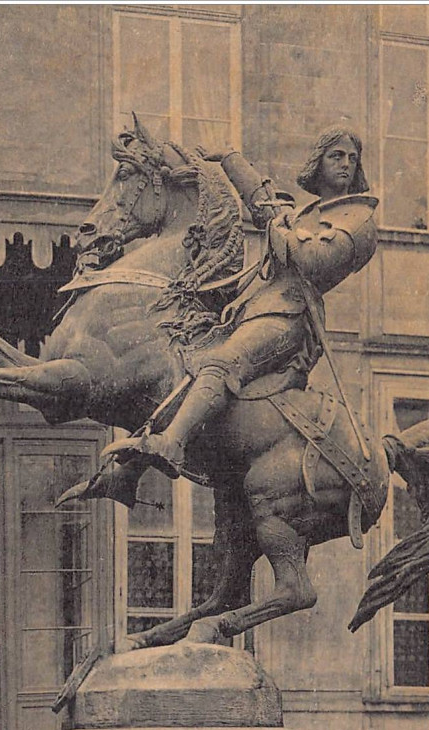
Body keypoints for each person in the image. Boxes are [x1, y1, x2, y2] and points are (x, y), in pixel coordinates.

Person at [104, 126, 378, 480]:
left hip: (291, 317)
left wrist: (282, 231)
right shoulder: (309, 213)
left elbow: (313, 261)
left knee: (222, 363)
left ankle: (171, 445)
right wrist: (230, 159)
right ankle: (126, 474)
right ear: (318, 163)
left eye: (352, 159)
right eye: (336, 156)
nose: (345, 165)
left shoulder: (359, 219)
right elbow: (266, 206)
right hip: (255, 307)